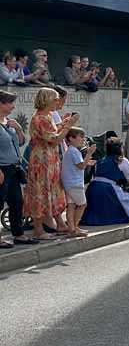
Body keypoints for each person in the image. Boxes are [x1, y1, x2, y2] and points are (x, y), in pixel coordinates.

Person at [25, 87, 76, 239]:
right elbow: (54, 138)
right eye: (55, 99)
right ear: (47, 100)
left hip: (49, 157)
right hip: (42, 159)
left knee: (52, 190)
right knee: (40, 192)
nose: (58, 102)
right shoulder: (41, 118)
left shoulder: (46, 116)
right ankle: (38, 230)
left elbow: (52, 133)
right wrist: (67, 126)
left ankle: (58, 224)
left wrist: (62, 124)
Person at [82, 137, 129, 225]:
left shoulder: (100, 161)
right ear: (120, 148)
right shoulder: (122, 161)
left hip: (93, 188)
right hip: (108, 189)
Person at [0, 90, 31, 247]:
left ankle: (18, 234)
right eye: (10, 102)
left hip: (13, 169)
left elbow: (20, 143)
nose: (13, 106)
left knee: (17, 202)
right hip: (1, 169)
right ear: (1, 104)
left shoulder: (8, 121)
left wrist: (18, 129)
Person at [61, 127, 95, 237]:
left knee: (71, 206)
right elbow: (81, 166)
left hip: (69, 183)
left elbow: (77, 165)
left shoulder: (70, 151)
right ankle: (74, 227)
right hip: (75, 183)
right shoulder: (74, 151)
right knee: (82, 204)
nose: (83, 140)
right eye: (81, 137)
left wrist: (87, 162)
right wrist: (89, 153)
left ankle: (72, 228)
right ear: (71, 138)